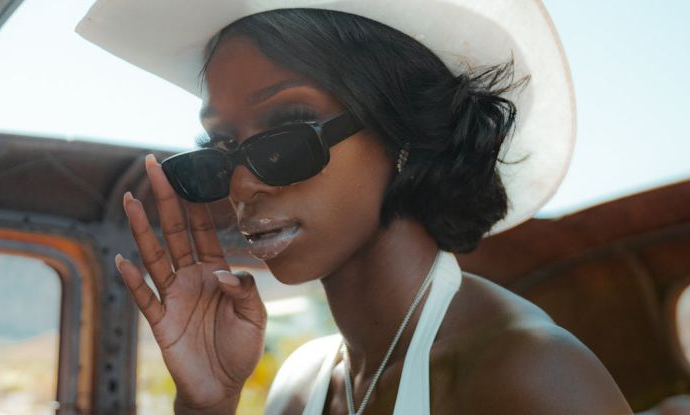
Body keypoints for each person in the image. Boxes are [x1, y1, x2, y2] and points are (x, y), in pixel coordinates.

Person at [79, 1, 635, 414]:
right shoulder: (303, 385)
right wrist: (207, 403)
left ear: (402, 133)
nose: (243, 184)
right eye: (221, 151)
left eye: (287, 131)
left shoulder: (529, 372)